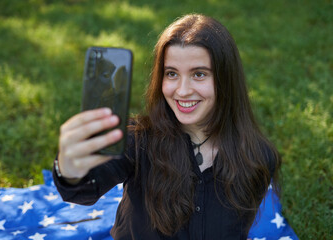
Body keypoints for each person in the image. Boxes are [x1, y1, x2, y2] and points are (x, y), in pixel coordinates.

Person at [53, 14, 281, 239]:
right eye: (171, 73)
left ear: (225, 79)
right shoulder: (137, 140)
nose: (182, 91)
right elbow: (82, 190)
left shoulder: (258, 157)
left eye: (199, 74)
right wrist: (69, 168)